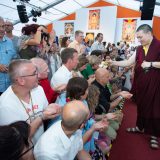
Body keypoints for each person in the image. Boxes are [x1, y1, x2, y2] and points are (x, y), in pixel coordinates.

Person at [110, 24, 160, 149]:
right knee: (142, 105)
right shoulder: (139, 48)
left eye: (140, 37)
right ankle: (140, 127)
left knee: (154, 108)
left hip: (156, 84)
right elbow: (128, 62)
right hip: (141, 83)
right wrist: (113, 62)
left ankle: (154, 135)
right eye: (138, 38)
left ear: (149, 33)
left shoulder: (159, 46)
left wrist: (151, 64)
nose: (139, 40)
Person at [0, 59, 61, 144]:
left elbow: (45, 110)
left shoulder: (39, 89)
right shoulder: (5, 105)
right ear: (21, 80)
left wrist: (51, 109)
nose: (38, 75)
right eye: (34, 73)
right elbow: (18, 140)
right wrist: (41, 117)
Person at [0, 16, 17, 95]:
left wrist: (12, 64)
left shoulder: (9, 42)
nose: (2, 29)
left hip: (9, 86)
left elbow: (13, 57)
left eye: (2, 26)